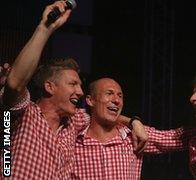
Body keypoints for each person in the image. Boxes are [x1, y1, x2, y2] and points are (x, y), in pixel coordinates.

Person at [0, 1, 146, 179]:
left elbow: (104, 113)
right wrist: (45, 28)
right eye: (73, 84)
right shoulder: (25, 114)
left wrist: (134, 122)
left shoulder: (73, 123)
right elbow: (15, 83)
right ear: (49, 87)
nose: (80, 92)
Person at [72, 77, 196, 179]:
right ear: (90, 100)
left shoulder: (133, 136)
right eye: (109, 93)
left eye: (120, 96)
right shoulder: (73, 138)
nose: (116, 100)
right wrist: (132, 121)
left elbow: (172, 139)